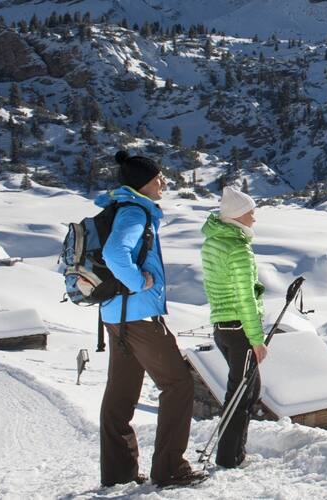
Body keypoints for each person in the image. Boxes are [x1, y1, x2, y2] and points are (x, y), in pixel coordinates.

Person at [98, 150, 207, 488]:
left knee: (121, 393)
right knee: (178, 384)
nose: (163, 182)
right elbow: (114, 253)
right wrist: (137, 282)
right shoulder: (135, 212)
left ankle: (119, 473)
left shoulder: (121, 207)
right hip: (139, 317)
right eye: (158, 177)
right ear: (142, 182)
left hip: (116, 314)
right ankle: (170, 468)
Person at [200, 186, 266, 468]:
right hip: (240, 329)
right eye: (250, 212)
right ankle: (231, 456)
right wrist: (257, 339)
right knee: (242, 393)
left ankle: (234, 452)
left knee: (245, 388)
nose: (254, 218)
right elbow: (244, 297)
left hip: (222, 326)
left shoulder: (213, 242)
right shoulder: (238, 248)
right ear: (238, 215)